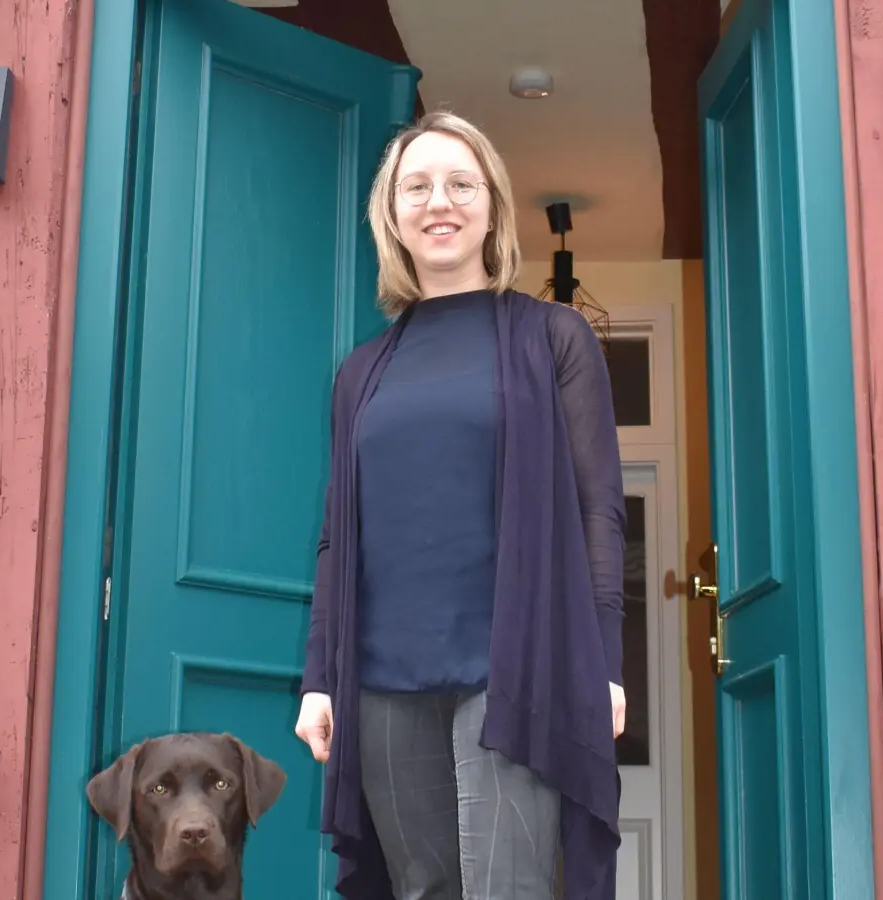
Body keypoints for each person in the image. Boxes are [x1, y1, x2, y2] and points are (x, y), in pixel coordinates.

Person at [293, 110, 628, 900]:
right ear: (392, 215)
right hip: (381, 679)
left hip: (514, 667)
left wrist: (604, 665)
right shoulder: (361, 372)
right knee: (423, 890)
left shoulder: (553, 338)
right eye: (417, 186)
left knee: (506, 887)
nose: (438, 201)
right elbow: (339, 539)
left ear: (491, 206)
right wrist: (320, 678)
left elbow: (598, 509)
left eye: (459, 183)